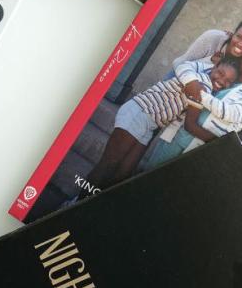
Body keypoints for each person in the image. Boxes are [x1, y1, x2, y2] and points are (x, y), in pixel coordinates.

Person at [80, 57, 239, 196]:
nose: (222, 81)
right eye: (221, 73)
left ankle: (89, 205)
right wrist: (226, 143)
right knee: (109, 164)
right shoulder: (202, 87)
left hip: (150, 123)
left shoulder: (203, 79)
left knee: (123, 174)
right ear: (215, 66)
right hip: (140, 112)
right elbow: (190, 126)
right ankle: (77, 204)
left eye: (228, 81)